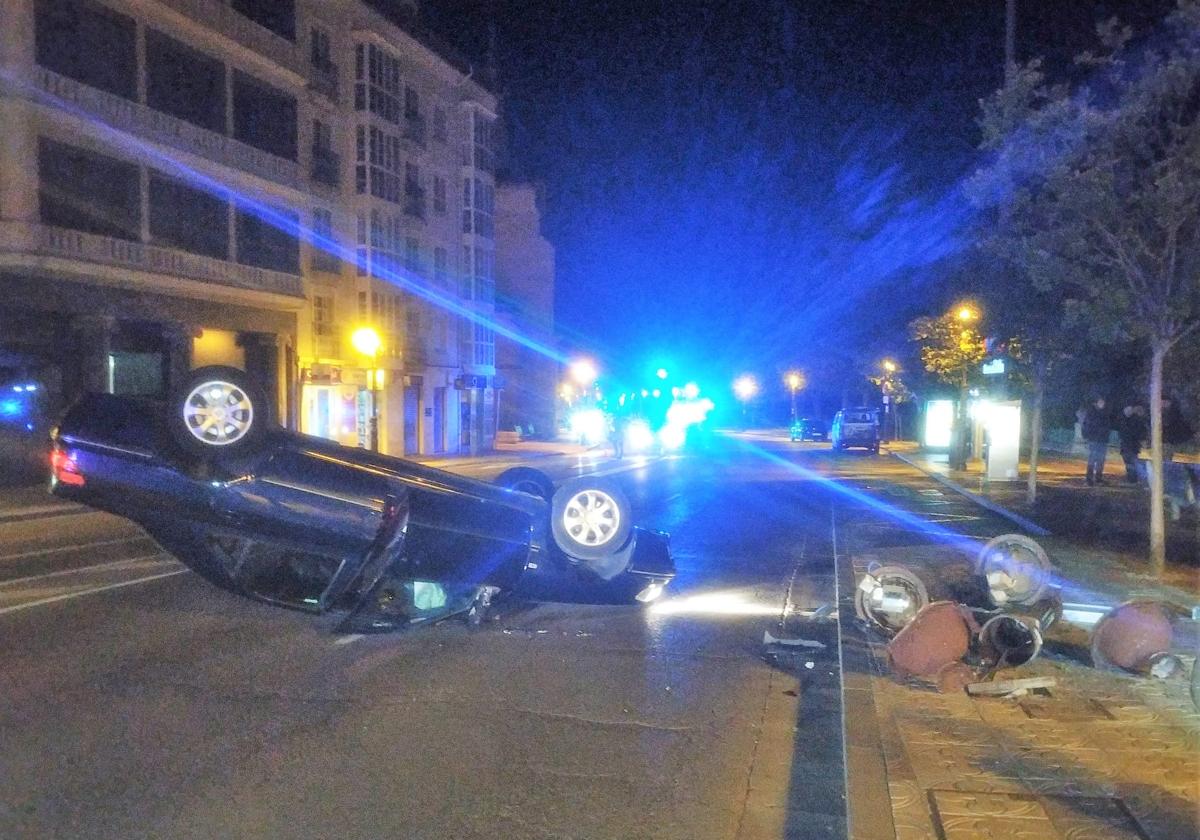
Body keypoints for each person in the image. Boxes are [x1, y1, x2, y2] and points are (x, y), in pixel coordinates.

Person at [1082, 396, 1111, 486]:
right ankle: (1089, 479)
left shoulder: (1105, 412)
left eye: (1103, 402)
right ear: (1096, 402)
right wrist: (1087, 436)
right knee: (1093, 458)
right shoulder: (1092, 412)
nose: (1103, 403)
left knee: (1101, 460)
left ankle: (1098, 478)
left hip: (1102, 439)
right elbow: (1087, 424)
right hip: (1094, 439)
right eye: (1101, 402)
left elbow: (1107, 425)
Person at [1116, 404, 1147, 484]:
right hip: (1129, 445)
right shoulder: (1131, 420)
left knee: (1131, 462)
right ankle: (1134, 479)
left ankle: (1133, 479)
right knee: (1131, 462)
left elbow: (1130, 432)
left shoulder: (1132, 420)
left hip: (1130, 445)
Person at [1161, 397, 1195, 462]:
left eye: (1164, 402)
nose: (1162, 405)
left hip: (1178, 439)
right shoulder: (1164, 413)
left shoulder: (1175, 413)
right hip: (1173, 439)